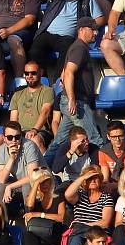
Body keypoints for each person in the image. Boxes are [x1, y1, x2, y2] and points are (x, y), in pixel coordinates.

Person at [44, 18, 106, 161]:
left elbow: (65, 72)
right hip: (77, 103)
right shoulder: (79, 48)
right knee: (94, 138)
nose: (95, 33)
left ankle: (43, 166)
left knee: (59, 141)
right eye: (92, 29)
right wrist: (72, 98)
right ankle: (106, 172)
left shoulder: (78, 47)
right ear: (81, 30)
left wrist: (65, 81)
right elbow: (69, 72)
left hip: (73, 101)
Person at [31, 0, 103, 80]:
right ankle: (42, 81)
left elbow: (100, 18)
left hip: (67, 36)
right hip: (47, 33)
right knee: (34, 51)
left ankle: (58, 83)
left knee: (67, 53)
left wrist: (86, 25)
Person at [64, 165, 114, 245]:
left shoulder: (106, 198)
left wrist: (84, 224)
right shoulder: (80, 195)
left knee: (80, 235)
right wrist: (82, 177)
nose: (92, 180)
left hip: (97, 232)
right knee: (75, 243)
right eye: (89, 178)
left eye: (95, 177)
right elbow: (68, 195)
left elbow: (105, 222)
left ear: (100, 180)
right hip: (79, 232)